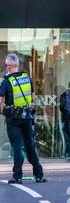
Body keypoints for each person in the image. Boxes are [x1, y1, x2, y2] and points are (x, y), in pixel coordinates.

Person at [0, 53, 47, 184]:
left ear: (8, 66)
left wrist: (3, 111)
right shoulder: (26, 78)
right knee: (30, 146)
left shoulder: (6, 81)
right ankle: (39, 175)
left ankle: (17, 176)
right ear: (18, 65)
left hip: (13, 119)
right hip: (27, 117)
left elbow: (0, 101)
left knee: (17, 147)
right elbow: (33, 97)